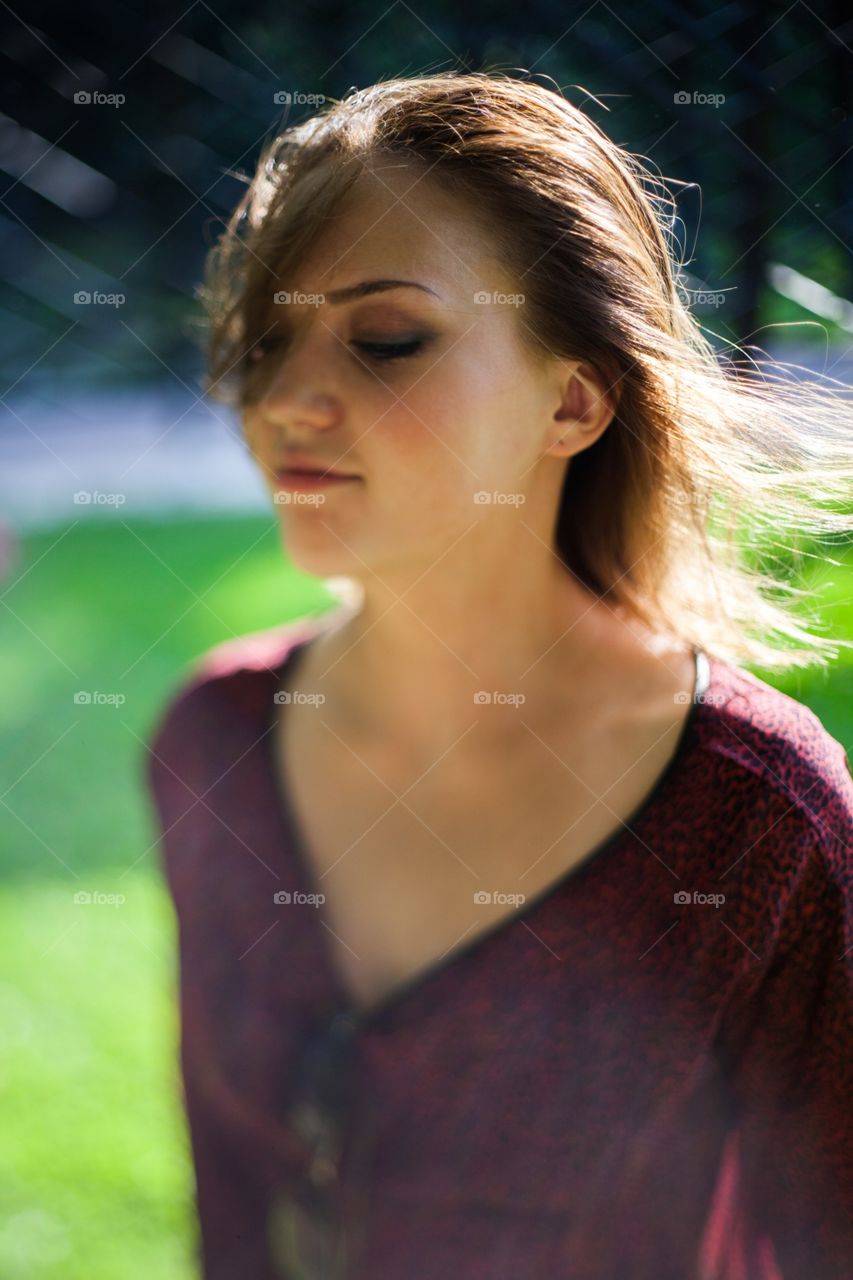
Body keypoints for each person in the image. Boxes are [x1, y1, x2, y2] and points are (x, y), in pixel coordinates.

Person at [145, 71, 853, 1279]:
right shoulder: (212, 742)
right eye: (269, 340)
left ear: (573, 398)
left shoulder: (757, 814)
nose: (286, 401)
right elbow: (234, 1202)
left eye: (386, 340)